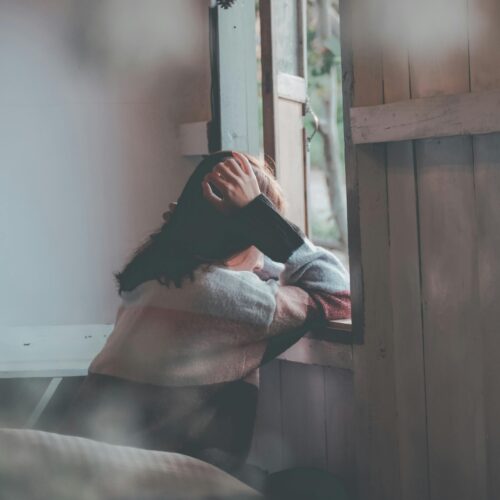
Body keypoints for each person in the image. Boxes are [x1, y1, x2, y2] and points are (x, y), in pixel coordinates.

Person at [52, 150, 351, 494]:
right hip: (158, 480)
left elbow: (256, 275)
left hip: (85, 467)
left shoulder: (155, 279)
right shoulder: (228, 297)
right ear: (251, 233)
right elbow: (336, 289)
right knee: (322, 489)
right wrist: (261, 216)